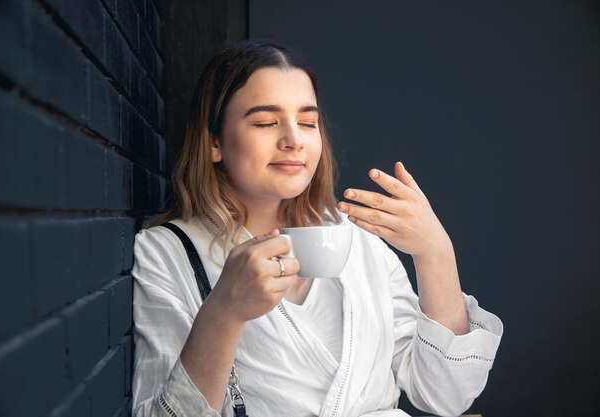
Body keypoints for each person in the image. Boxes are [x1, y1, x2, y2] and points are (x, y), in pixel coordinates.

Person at [131, 39, 503, 417]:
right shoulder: (168, 253)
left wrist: (435, 252)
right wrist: (223, 311)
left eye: (308, 122)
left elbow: (446, 396)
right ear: (214, 142)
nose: (294, 140)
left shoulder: (356, 240)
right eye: (265, 122)